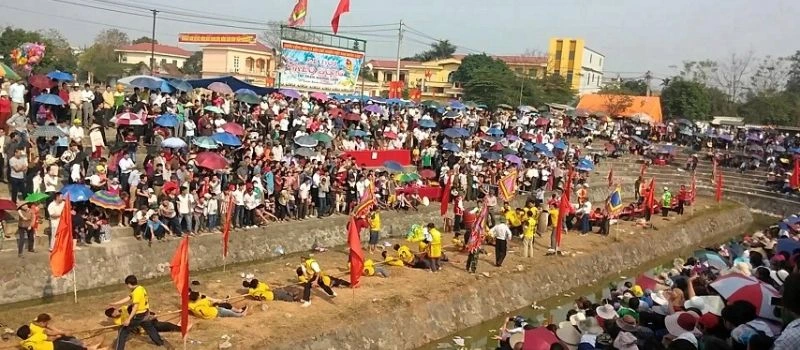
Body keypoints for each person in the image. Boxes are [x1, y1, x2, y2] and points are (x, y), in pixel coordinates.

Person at [107, 275, 164, 350]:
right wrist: (115, 303)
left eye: (127, 285)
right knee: (150, 328)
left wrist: (129, 319)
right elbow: (128, 298)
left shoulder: (136, 292)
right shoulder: (140, 288)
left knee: (122, 331)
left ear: (129, 284)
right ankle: (159, 342)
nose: (127, 286)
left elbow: (135, 307)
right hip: (145, 313)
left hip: (139, 315)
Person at [16, 313, 104, 350]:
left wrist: (60, 332)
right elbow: (50, 337)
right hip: (53, 346)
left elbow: (48, 327)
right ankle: (90, 348)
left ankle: (85, 346)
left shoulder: (23, 343)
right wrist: (60, 334)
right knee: (70, 344)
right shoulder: (36, 335)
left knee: (69, 341)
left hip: (47, 345)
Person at [105, 305, 184, 334]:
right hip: (141, 325)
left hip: (143, 317)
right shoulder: (118, 321)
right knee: (162, 325)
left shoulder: (123, 308)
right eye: (114, 315)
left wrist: (148, 315)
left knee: (152, 318)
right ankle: (181, 329)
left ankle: (180, 329)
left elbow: (136, 309)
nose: (116, 314)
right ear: (112, 317)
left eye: (115, 312)